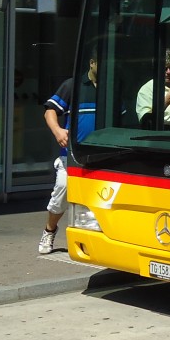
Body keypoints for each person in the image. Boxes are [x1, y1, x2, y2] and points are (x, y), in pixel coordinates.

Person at [39, 56, 98, 255]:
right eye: (101, 63)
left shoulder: (111, 85)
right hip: (71, 156)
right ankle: (49, 230)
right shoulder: (73, 85)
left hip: (100, 156)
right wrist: (57, 131)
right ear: (91, 62)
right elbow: (50, 111)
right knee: (62, 191)